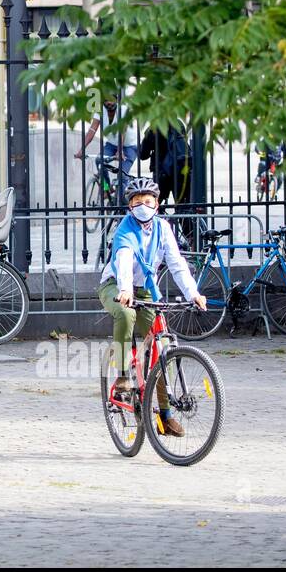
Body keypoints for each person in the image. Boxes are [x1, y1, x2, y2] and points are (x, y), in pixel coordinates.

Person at [97, 176, 208, 437]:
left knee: (161, 344)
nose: (143, 206)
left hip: (146, 289)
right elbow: (123, 259)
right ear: (129, 207)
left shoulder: (163, 229)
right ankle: (124, 375)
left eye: (148, 201)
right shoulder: (125, 230)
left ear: (156, 205)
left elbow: (177, 264)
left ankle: (166, 416)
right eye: (137, 202)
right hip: (115, 285)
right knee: (125, 314)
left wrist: (194, 293)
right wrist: (124, 289)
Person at [75, 92, 138, 201]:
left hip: (129, 146)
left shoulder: (123, 110)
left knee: (122, 175)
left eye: (111, 100)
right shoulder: (99, 110)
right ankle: (107, 188)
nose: (109, 103)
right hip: (111, 144)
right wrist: (82, 149)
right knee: (99, 161)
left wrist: (120, 150)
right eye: (106, 100)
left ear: (117, 100)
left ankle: (121, 208)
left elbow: (122, 130)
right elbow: (92, 129)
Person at [139, 121, 191, 207]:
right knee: (183, 207)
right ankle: (183, 218)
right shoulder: (179, 124)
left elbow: (143, 155)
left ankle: (159, 219)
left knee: (154, 206)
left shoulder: (153, 128)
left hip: (162, 171)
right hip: (180, 170)